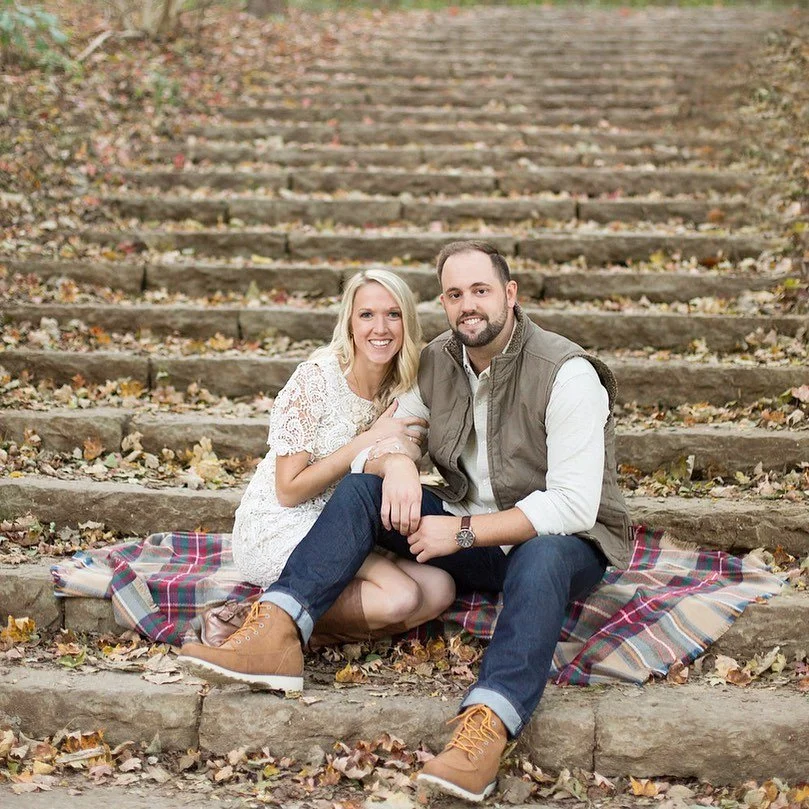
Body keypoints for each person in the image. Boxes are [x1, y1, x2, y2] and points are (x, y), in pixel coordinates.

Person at [180, 241, 632, 803]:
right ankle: (276, 631)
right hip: (470, 533)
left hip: (560, 545)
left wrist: (461, 533)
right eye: (455, 294)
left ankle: (487, 729)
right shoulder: (439, 360)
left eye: (481, 290)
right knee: (364, 489)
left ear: (510, 294)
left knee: (541, 555)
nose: (468, 305)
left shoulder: (566, 373)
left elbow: (572, 505)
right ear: (443, 303)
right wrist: (397, 463)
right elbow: (401, 427)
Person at [181, 269, 455, 684]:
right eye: (367, 315)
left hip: (347, 522)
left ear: (407, 322)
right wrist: (366, 440)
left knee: (439, 588)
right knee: (400, 597)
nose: (380, 328)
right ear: (350, 322)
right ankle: (252, 625)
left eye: (393, 315)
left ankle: (286, 634)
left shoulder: (406, 386)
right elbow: (288, 490)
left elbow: (404, 449)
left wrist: (399, 457)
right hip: (283, 522)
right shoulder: (316, 379)